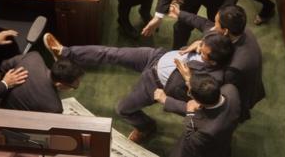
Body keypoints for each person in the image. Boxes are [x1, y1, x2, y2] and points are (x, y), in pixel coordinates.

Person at [43, 31, 234, 143]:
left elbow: (196, 108)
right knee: (112, 53)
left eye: (204, 52)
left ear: (214, 62)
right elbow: (206, 36)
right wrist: (199, 43)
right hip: (156, 56)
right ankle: (65, 53)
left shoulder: (212, 80)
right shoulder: (212, 44)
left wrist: (186, 81)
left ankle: (147, 127)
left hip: (156, 83)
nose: (200, 50)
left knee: (123, 109)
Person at [169, 4, 265, 122]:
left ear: (225, 31)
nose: (213, 27)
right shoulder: (239, 28)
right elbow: (204, 24)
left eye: (216, 24)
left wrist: (190, 80)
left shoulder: (234, 67)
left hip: (239, 94)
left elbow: (216, 95)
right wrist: (179, 13)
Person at [156, 73, 240, 157]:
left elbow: (188, 137)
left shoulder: (206, 132)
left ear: (198, 101)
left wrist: (190, 113)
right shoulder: (231, 90)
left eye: (189, 92)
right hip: (224, 139)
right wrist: (192, 82)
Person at [0, 52, 85, 113]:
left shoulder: (33, 57)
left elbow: (4, 66)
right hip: (7, 114)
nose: (78, 84)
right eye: (74, 87)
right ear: (59, 84)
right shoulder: (54, 107)